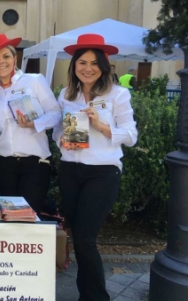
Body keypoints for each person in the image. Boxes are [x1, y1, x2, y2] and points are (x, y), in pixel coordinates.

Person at [53, 33, 138, 301]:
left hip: (102, 173)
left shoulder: (117, 94)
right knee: (78, 238)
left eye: (93, 63)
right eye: (81, 63)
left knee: (86, 239)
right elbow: (57, 129)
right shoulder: (67, 95)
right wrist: (62, 140)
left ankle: (97, 297)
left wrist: (101, 125)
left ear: (103, 66)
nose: (87, 68)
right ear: (74, 67)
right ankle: (85, 294)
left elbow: (131, 135)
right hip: (70, 171)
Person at [0, 34, 60, 215]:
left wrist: (35, 123)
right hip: (3, 165)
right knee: (9, 220)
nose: (1, 62)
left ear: (15, 59)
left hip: (35, 165)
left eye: (6, 56)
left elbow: (56, 115)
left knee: (28, 219)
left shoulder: (34, 81)